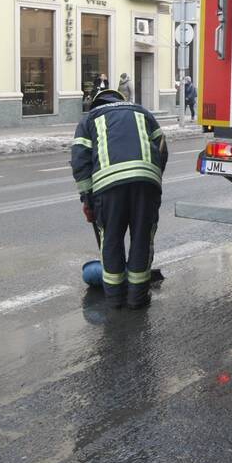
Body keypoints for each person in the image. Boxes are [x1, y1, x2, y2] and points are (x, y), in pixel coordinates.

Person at [71, 88, 168, 309]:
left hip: (108, 188)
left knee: (112, 240)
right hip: (146, 183)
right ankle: (137, 299)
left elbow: (80, 162)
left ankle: (115, 300)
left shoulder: (89, 120)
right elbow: (161, 148)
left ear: (96, 104)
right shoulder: (143, 112)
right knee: (142, 239)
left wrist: (87, 200)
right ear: (121, 100)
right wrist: (152, 178)